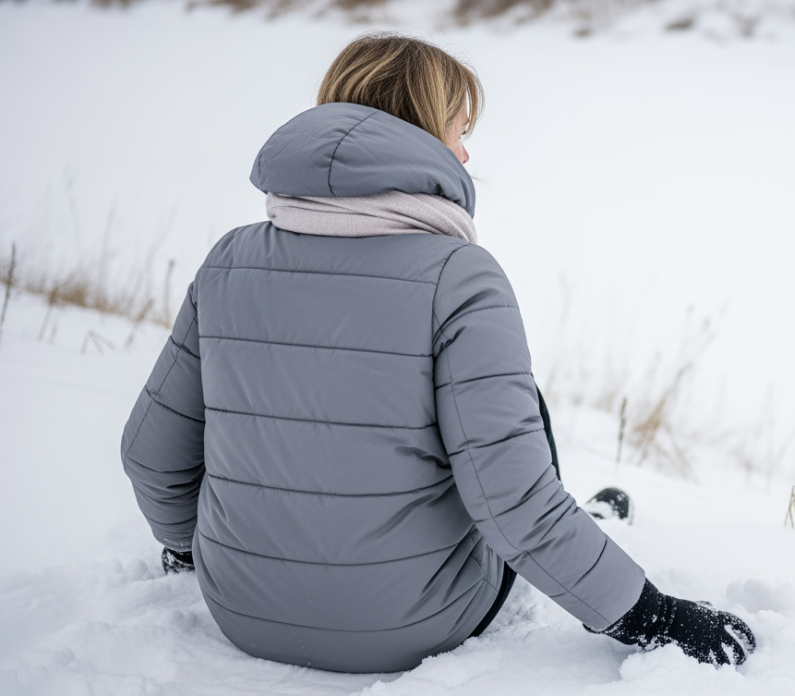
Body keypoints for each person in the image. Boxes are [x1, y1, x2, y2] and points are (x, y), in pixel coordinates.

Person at [119, 32, 756, 674]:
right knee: (522, 407)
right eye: (458, 129)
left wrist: (189, 552)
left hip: (240, 611)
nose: (466, 151)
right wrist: (654, 616)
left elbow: (149, 453)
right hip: (414, 623)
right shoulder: (459, 277)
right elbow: (513, 498)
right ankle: (585, 541)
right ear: (422, 130)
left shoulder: (228, 262)